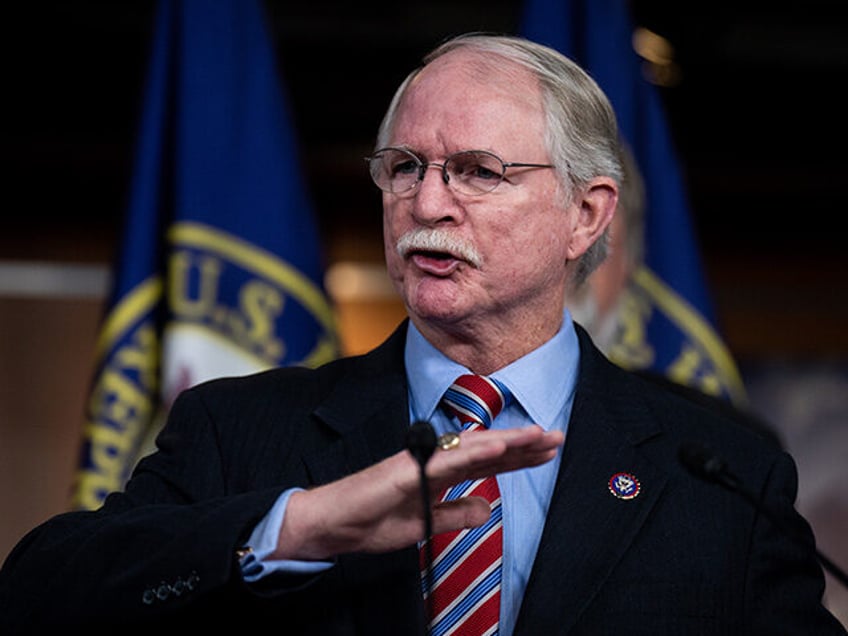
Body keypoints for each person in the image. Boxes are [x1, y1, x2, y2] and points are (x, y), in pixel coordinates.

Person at [0, 32, 844, 636]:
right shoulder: (237, 430)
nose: (428, 205)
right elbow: (40, 593)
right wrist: (298, 529)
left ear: (586, 216)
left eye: (479, 172)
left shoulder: (722, 472)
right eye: (404, 168)